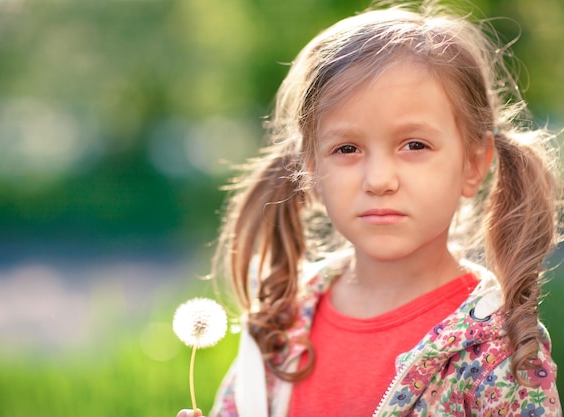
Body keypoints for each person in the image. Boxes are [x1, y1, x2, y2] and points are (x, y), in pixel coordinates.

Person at [178, 1, 562, 415]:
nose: (378, 179)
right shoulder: (281, 324)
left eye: (415, 145)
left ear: (473, 164)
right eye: (347, 149)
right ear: (312, 171)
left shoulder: (497, 350)